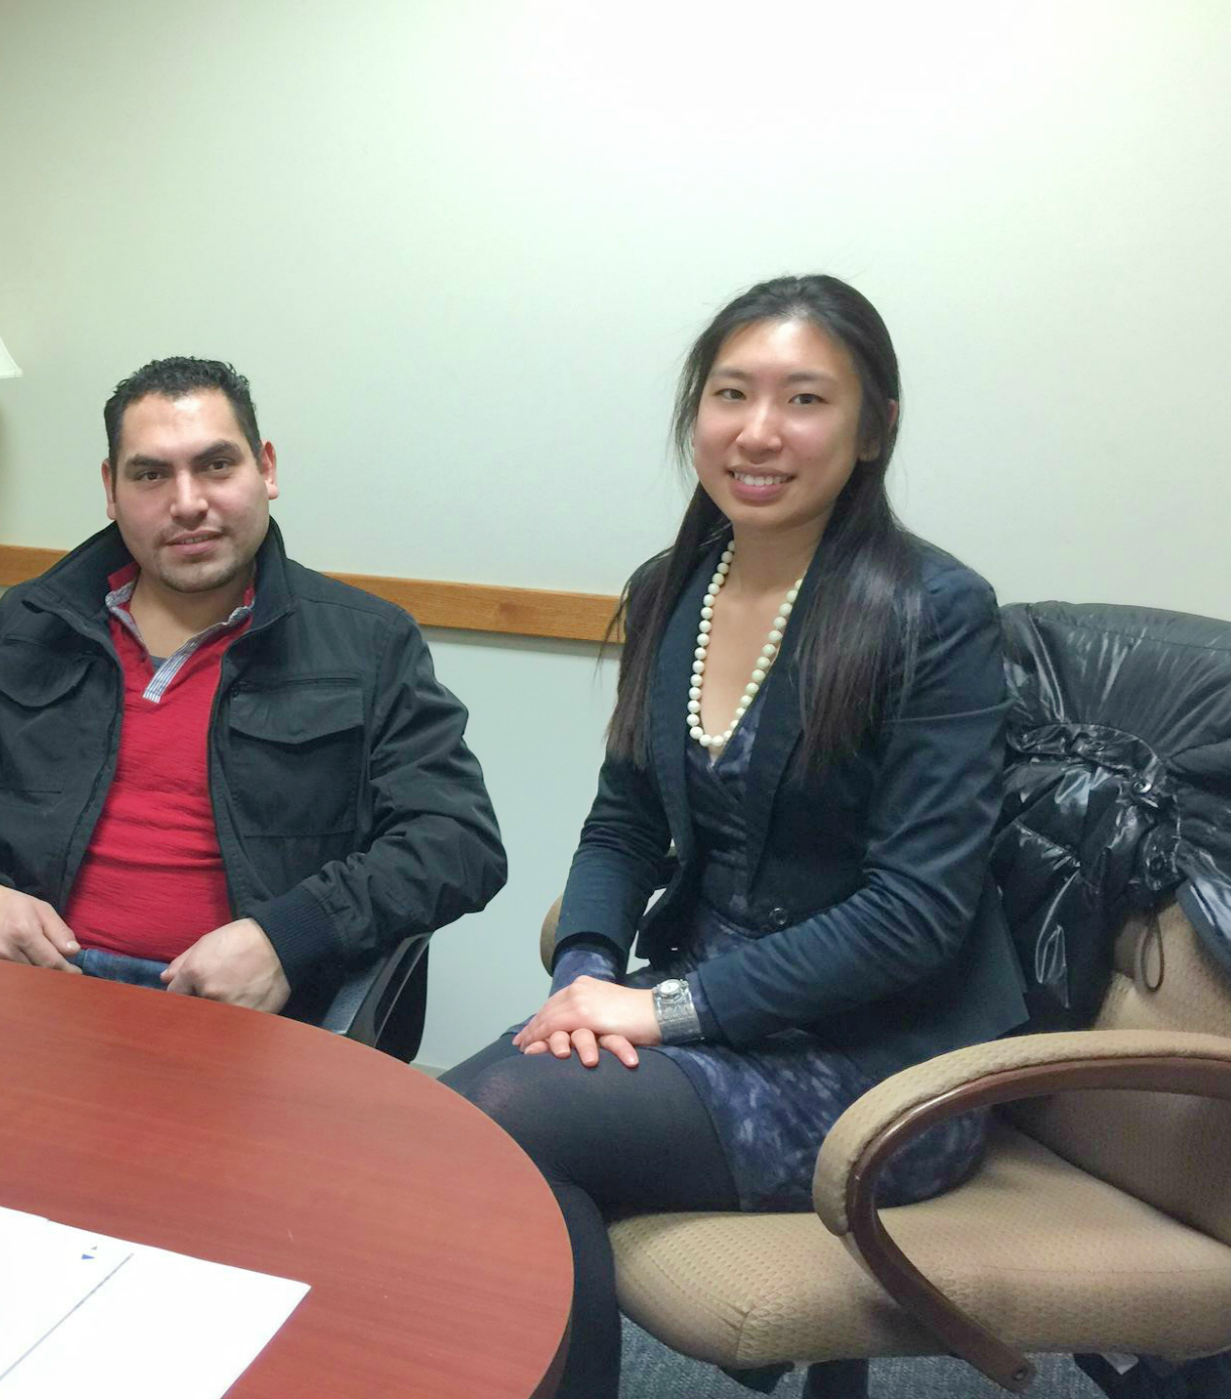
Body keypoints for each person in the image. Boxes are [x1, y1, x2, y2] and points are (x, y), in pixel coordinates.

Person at [441, 276, 1029, 1397]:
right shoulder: (673, 588)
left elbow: (915, 916)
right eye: (730, 394)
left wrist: (657, 1009)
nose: (759, 432)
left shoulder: (935, 611)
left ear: (872, 428)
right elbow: (623, 819)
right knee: (482, 1135)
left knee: (491, 1120)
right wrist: (585, 974)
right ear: (694, 412)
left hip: (882, 1060)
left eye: (805, 399)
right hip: (703, 1013)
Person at [0, 356, 505, 1022]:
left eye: (216, 465)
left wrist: (289, 935)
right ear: (111, 488)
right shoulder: (32, 622)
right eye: (151, 473)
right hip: (30, 992)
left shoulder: (368, 642)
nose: (187, 502)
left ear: (266, 468)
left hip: (241, 1016)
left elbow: (455, 840)